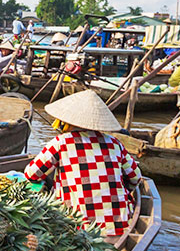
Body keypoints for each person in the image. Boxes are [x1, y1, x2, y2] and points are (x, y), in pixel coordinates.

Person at [24, 90, 142, 237]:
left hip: (77, 230)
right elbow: (136, 178)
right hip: (117, 228)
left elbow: (31, 174)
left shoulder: (61, 142)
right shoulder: (114, 143)